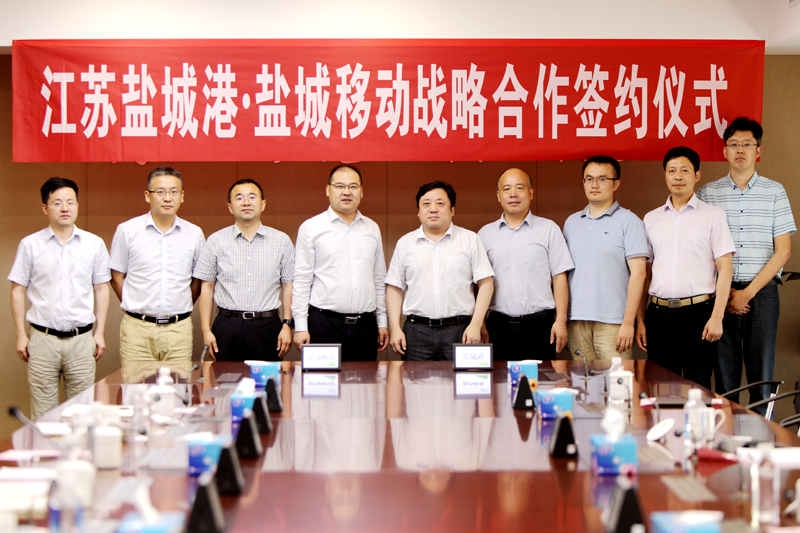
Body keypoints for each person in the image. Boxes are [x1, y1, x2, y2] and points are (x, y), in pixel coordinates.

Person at [697, 117, 796, 414]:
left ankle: (760, 438)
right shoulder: (708, 194)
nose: (740, 150)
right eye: (734, 144)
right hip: (722, 295)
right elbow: (701, 250)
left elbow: (783, 252)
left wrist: (747, 293)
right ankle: (727, 437)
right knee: (724, 379)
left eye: (747, 144)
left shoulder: (775, 191)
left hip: (762, 294)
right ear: (725, 151)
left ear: (758, 151)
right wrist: (727, 293)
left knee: (761, 377)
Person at [9, 177, 110, 418]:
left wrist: (100, 332)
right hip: (42, 340)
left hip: (82, 340)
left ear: (77, 205)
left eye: (70, 202)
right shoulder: (30, 245)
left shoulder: (94, 244)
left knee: (82, 414)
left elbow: (101, 289)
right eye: (57, 203)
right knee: (44, 416)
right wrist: (21, 335)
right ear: (45, 208)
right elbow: (17, 290)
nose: (65, 208)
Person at [636, 147, 735, 388]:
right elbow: (644, 274)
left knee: (697, 389)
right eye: (672, 171)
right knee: (659, 388)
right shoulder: (651, 219)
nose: (677, 176)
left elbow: (725, 269)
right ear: (665, 175)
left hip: (698, 315)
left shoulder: (713, 216)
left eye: (684, 170)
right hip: (658, 315)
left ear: (697, 175)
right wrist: (640, 319)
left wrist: (717, 317)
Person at [386, 181, 494, 361]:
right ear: (418, 211)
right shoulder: (405, 243)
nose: (433, 209)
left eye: (440, 203)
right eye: (426, 204)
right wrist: (395, 328)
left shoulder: (470, 240)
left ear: (452, 210)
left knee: (461, 379)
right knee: (414, 380)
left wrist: (476, 324)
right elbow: (394, 288)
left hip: (460, 330)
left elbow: (486, 284)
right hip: (416, 331)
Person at [109, 167, 205, 367]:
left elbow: (198, 280)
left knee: (179, 385)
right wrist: (134, 304)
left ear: (182, 196)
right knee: (135, 385)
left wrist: (181, 305)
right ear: (147, 195)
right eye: (160, 192)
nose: (167, 198)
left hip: (178, 330)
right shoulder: (127, 230)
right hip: (137, 329)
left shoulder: (194, 233)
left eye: (174, 192)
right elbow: (116, 276)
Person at [292, 164, 389, 360]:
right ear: (328, 190)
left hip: (366, 326)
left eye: (353, 186)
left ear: (361, 192)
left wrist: (382, 322)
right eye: (340, 186)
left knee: (366, 380)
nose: (346, 192)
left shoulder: (372, 228)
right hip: (324, 325)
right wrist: (300, 326)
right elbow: (302, 280)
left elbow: (379, 279)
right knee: (322, 379)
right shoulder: (311, 227)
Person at [194, 179, 295, 362]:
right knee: (226, 379)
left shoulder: (282, 241)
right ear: (230, 207)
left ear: (263, 204)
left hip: (267, 327)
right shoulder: (216, 240)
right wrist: (205, 330)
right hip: (227, 326)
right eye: (239, 198)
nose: (246, 202)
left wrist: (287, 325)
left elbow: (289, 285)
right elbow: (207, 287)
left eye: (252, 197)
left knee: (267, 380)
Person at [477, 168, 573, 361]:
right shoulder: (484, 234)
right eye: (507, 189)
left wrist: (561, 320)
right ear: (499, 195)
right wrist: (480, 323)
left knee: (540, 378)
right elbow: (478, 283)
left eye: (519, 188)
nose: (513, 194)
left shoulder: (549, 229)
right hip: (498, 326)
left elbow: (559, 277)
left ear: (531, 193)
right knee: (499, 380)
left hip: (540, 326)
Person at [563, 157, 648, 361]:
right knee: (582, 379)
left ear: (616, 184)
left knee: (616, 380)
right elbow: (562, 274)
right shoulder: (571, 222)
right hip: (576, 320)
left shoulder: (630, 222)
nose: (594, 185)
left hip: (614, 322)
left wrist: (629, 323)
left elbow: (639, 274)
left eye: (602, 179)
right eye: (589, 179)